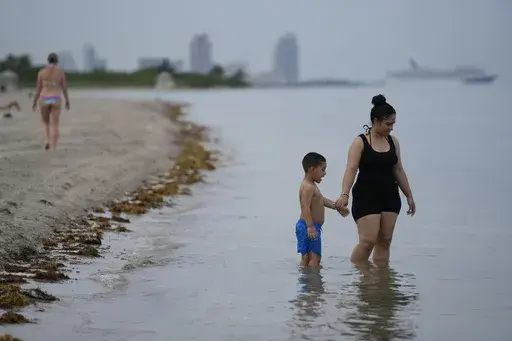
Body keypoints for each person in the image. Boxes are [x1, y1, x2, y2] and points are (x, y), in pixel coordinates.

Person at [335, 94, 416, 265]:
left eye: (393, 123)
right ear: (375, 121)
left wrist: (409, 195)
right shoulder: (361, 142)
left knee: (385, 240)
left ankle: (381, 283)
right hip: (366, 196)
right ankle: (359, 277)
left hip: (389, 196)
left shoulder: (393, 141)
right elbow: (351, 169)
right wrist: (344, 194)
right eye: (388, 124)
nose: (392, 127)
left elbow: (398, 169)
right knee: (368, 241)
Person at [296, 152, 349, 268]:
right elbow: (305, 207)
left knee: (307, 258)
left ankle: (306, 282)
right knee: (315, 259)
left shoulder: (311, 185)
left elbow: (321, 200)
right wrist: (310, 227)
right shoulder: (308, 187)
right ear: (312, 169)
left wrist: (336, 206)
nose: (324, 173)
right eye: (323, 169)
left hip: (308, 226)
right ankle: (313, 284)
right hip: (309, 226)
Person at [32, 53, 70, 150]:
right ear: (57, 61)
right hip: (55, 98)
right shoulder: (60, 72)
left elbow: (38, 88)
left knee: (45, 122)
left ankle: (47, 141)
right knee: (55, 124)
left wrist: (34, 101)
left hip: (44, 98)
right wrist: (67, 100)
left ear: (48, 60)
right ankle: (54, 145)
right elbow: (64, 88)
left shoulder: (41, 72)